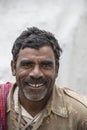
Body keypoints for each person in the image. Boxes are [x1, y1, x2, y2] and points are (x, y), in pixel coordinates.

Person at [0, 27, 87, 130]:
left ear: (57, 69)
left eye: (45, 65)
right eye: (27, 64)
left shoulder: (81, 114)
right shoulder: (2, 104)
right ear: (13, 68)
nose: (36, 74)